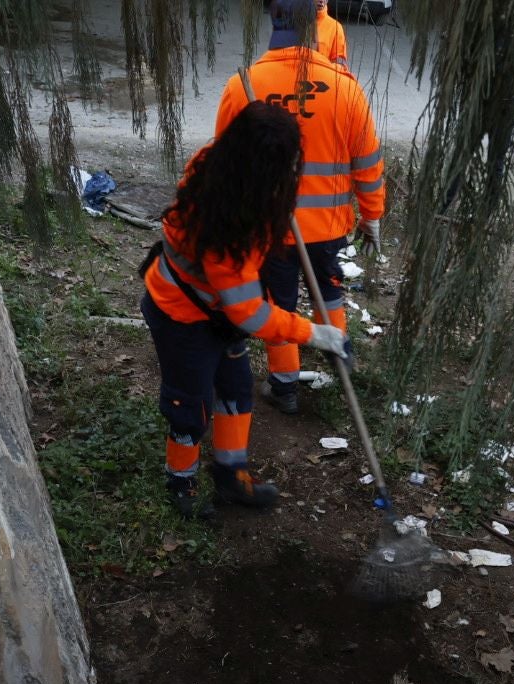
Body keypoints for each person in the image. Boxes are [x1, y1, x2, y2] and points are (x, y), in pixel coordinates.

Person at [141, 102, 349, 518]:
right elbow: (250, 316)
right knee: (190, 405)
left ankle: (230, 477)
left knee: (236, 390)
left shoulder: (216, 163)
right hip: (182, 316)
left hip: (216, 311)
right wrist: (314, 333)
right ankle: (180, 484)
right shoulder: (226, 235)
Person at [220, 0, 385, 416]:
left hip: (270, 230)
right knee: (329, 294)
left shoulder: (244, 85)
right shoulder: (346, 88)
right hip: (329, 228)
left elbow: (223, 167)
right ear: (316, 26)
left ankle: (285, 386)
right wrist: (372, 216)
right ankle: (339, 360)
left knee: (279, 304)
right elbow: (367, 163)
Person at [316, 0, 348, 69]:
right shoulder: (294, 24)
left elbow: (340, 64)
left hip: (322, 77)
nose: (321, 0)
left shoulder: (336, 27)